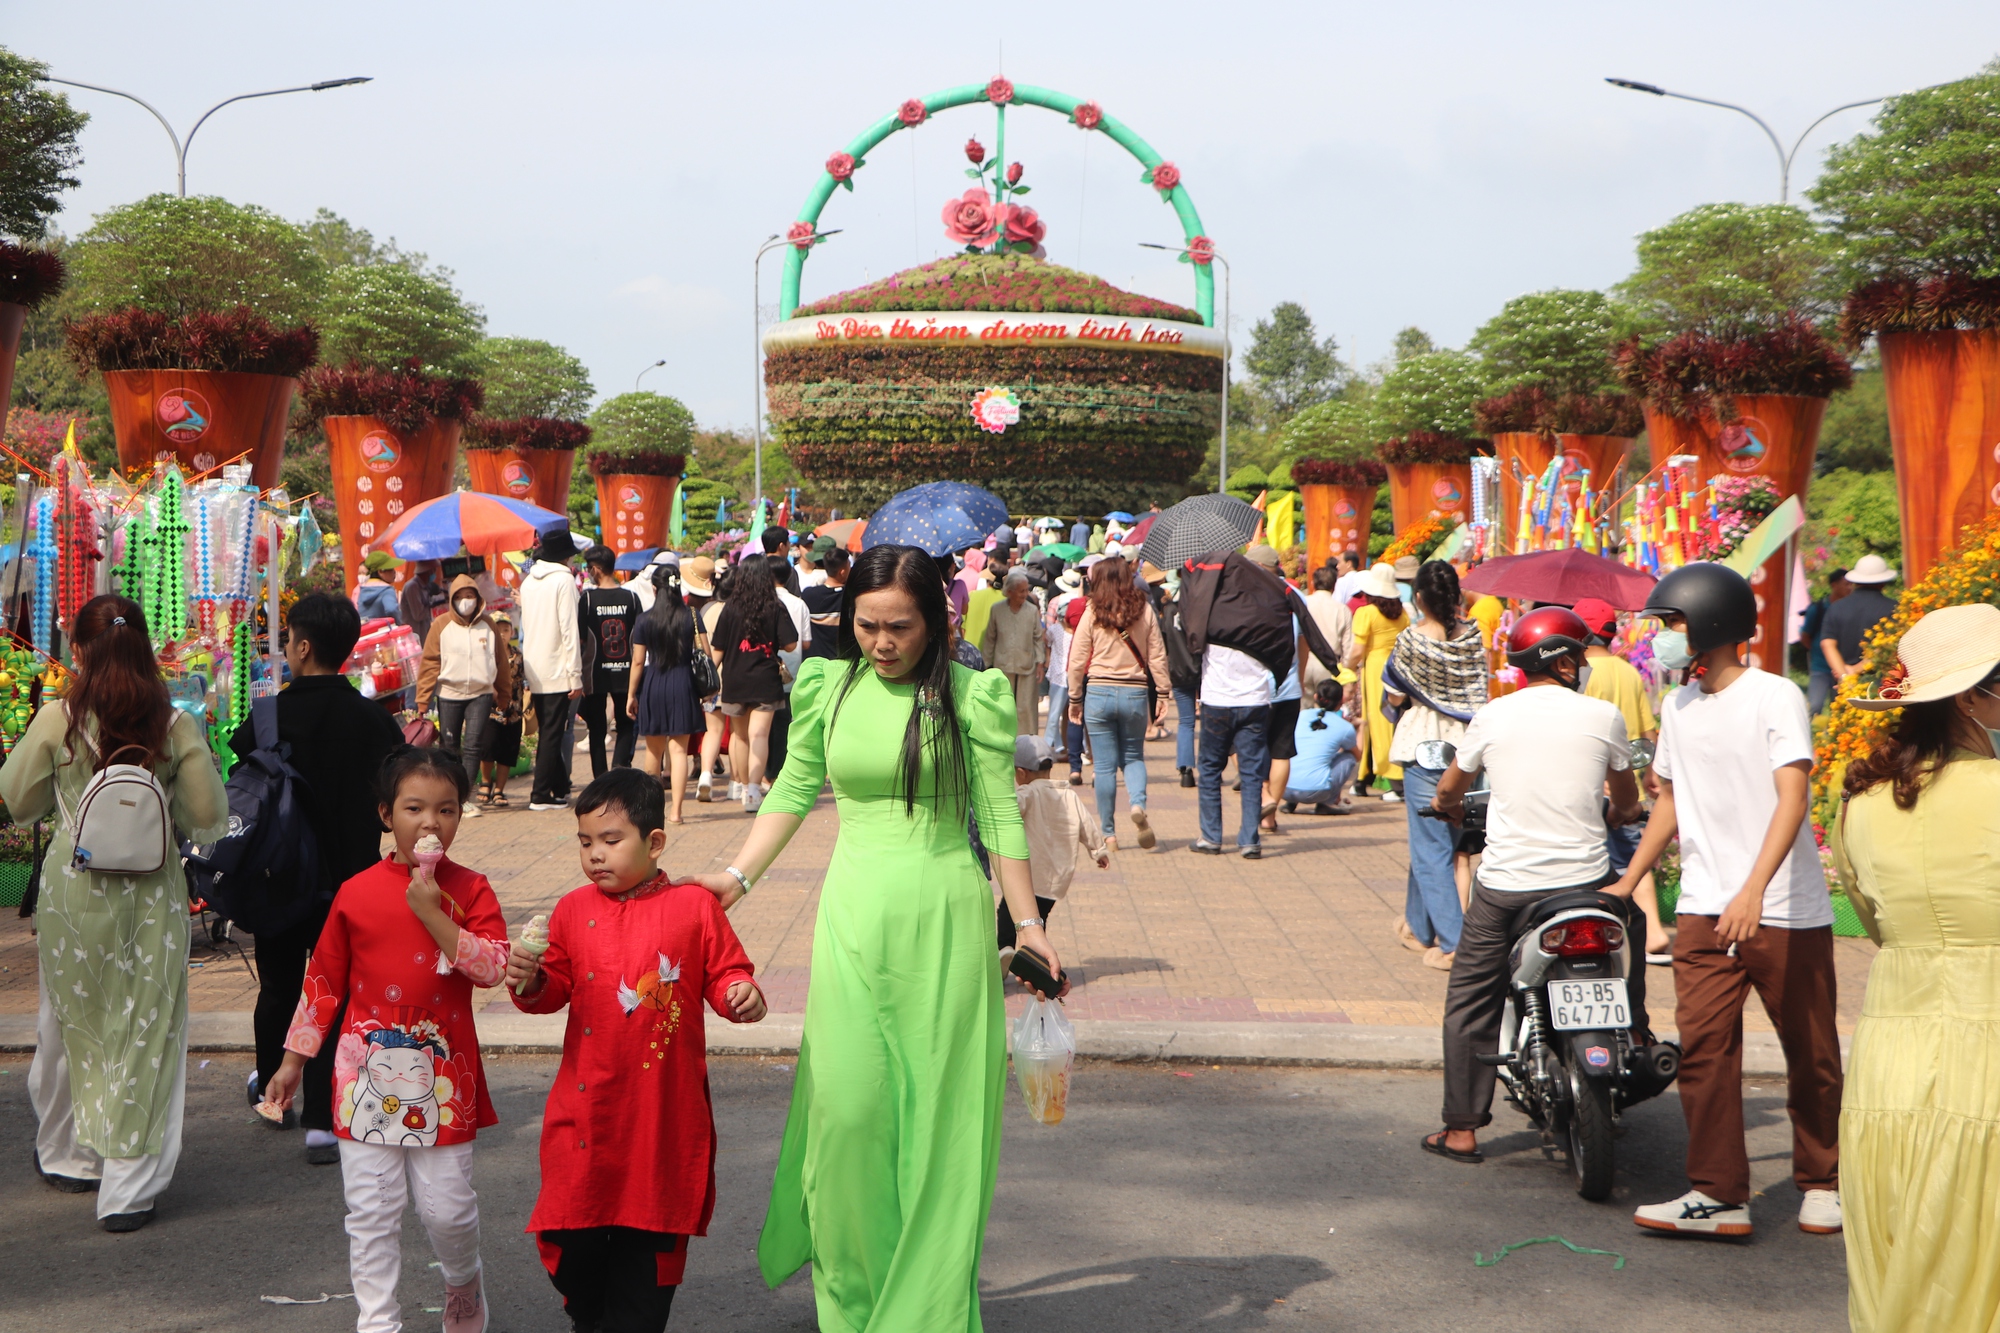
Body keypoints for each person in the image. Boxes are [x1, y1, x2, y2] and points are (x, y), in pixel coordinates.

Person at [693, 543, 1055, 1332]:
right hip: (853, 916)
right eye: (868, 625)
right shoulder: (830, 685)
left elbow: (997, 813)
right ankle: (853, 1304)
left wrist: (1028, 923)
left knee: (937, 1124)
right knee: (850, 1112)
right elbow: (794, 785)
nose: (883, 642)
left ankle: (923, 1310)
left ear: (935, 622)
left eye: (900, 627)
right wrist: (738, 876)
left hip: (947, 920)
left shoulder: (972, 694)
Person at [1612, 562, 1843, 1239]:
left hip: (1783, 907)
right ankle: (1718, 1192)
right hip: (1704, 909)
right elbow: (1669, 799)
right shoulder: (1678, 706)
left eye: (1672, 624)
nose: (1662, 638)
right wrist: (1629, 880)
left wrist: (1753, 889)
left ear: (1712, 623)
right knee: (1705, 1049)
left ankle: (1822, 1179)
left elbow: (1793, 797)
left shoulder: (1776, 696)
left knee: (1811, 1050)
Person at [507, 768, 766, 1333]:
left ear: (654, 843)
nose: (595, 855)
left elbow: (727, 974)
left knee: (644, 1276)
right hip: (585, 1117)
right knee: (568, 1240)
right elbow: (549, 989)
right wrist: (527, 980)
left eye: (610, 840)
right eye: (584, 842)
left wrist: (740, 993)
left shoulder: (694, 907)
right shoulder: (572, 910)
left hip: (660, 1126)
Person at [260, 747, 510, 1333]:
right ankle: (378, 1322)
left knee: (447, 1210)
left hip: (445, 1083)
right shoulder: (356, 892)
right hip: (362, 1080)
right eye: (415, 808)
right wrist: (293, 1062)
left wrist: (434, 914)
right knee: (371, 1210)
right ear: (384, 814)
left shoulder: (471, 891)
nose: (431, 823)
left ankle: (462, 1281)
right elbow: (322, 982)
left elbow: (493, 967)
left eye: (446, 809)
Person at [8, 595, 229, 1230]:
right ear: (145, 647)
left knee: (67, 1020)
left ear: (77, 651)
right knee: (146, 1027)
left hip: (72, 896)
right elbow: (208, 820)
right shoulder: (174, 725)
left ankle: (69, 1156)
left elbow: (17, 802)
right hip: (152, 897)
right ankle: (127, 1189)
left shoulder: (58, 719)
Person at [1422, 606, 1646, 1166]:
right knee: (1632, 925)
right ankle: (1634, 1031)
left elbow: (1452, 789)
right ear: (1570, 662)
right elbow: (1625, 799)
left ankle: (1463, 1129)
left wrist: (1444, 807)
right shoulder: (1603, 716)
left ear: (1524, 665)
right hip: (1587, 885)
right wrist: (1619, 813)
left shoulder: (1494, 716)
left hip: (1507, 890)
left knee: (1471, 997)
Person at [1829, 604, 2000, 1332]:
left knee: (1893, 1288)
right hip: (1985, 1062)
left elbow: (1871, 923)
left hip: (1887, 1070)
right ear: (1968, 696)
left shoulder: (1861, 801)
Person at [236, 593, 403, 1166]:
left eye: (287, 639)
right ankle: (323, 1120)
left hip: (278, 877)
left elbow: (242, 785)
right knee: (337, 994)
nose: (284, 647)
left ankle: (270, 1091)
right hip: (352, 883)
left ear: (303, 647)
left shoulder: (267, 717)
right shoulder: (375, 721)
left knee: (279, 986)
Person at [1386, 561, 1488, 971]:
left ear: (1420, 597)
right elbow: (1478, 690)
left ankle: (1454, 944)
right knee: (1437, 841)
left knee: (1431, 849)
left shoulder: (1411, 641)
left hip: (1424, 746)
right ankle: (1418, 926)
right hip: (1467, 748)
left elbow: (1394, 695)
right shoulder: (1473, 638)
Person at [1573, 597, 1668, 960]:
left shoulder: (1581, 674)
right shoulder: (1628, 671)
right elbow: (1647, 730)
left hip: (1593, 784)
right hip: (1628, 779)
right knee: (1633, 858)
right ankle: (1655, 930)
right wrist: (1651, 774)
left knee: (1594, 860)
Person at [1066, 554, 1170, 852]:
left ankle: (1109, 834)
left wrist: (1075, 697)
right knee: (1134, 756)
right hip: (1135, 692)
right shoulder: (1144, 609)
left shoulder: (1091, 609)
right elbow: (1157, 655)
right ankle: (1137, 804)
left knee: (1105, 765)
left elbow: (1076, 660)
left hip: (1098, 692)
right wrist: (1162, 693)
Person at [999, 735, 1108, 954]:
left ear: (1021, 773)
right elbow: (1087, 824)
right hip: (1057, 878)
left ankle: (1005, 951)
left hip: (1030, 875)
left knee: (1007, 912)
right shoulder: (1068, 794)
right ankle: (1034, 958)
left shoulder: (1027, 792)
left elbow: (1009, 811)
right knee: (1038, 919)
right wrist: (1098, 850)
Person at [416, 573, 514, 813]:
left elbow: (501, 662)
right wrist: (423, 699)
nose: (465, 601)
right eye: (459, 597)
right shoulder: (441, 625)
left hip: (480, 694)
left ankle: (463, 799)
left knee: (473, 746)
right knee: (449, 746)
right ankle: (445, 795)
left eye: (469, 596)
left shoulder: (488, 624)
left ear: (478, 598)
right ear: (451, 600)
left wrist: (504, 694)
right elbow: (430, 662)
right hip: (449, 693)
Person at [709, 553, 797, 811]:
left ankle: (739, 784)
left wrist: (707, 680)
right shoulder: (775, 605)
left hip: (734, 679)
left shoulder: (731, 607)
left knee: (739, 735)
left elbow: (718, 649)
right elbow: (791, 644)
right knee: (759, 734)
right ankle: (753, 791)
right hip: (765, 679)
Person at [628, 563, 704, 825]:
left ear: (654, 588)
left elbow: (638, 662)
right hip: (683, 683)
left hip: (654, 684)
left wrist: (631, 695)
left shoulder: (645, 620)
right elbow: (702, 649)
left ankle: (654, 811)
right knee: (679, 751)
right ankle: (677, 812)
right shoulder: (690, 616)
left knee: (654, 750)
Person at [521, 529, 585, 812]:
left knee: (550, 730)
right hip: (559, 666)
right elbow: (569, 630)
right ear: (564, 555)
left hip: (535, 664)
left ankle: (558, 787)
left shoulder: (528, 582)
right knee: (552, 732)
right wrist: (576, 674)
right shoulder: (563, 580)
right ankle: (540, 793)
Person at [1344, 563, 1410, 798]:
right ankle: (1364, 777)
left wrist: (1345, 670)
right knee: (1387, 722)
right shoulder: (1402, 614)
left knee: (1376, 722)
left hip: (1375, 669)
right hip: (1396, 668)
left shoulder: (1366, 613)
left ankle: (1395, 781)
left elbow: (1357, 651)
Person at [578, 545, 641, 777]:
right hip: (626, 670)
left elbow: (582, 639)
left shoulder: (587, 599)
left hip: (595, 672)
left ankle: (600, 777)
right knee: (626, 724)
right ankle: (619, 772)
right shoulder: (631, 599)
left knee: (597, 728)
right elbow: (638, 639)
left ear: (595, 569)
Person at [982, 567, 1048, 737]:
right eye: (1021, 591)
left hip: (1026, 664)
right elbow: (990, 638)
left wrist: (1040, 663)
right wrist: (986, 664)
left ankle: (1027, 743)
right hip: (1002, 665)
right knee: (1003, 704)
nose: (1025, 594)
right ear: (1009, 592)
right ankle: (1002, 738)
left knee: (1026, 707)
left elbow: (1037, 638)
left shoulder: (1031, 611)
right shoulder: (997, 609)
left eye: (1026, 590)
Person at [1281, 679, 1360, 813]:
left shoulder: (1299, 716)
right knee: (1348, 758)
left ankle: (1291, 803)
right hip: (1315, 792)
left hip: (1282, 788)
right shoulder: (1344, 727)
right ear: (1341, 701)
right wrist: (1361, 727)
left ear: (1316, 697)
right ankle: (1325, 804)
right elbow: (1358, 755)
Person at [1821, 553, 1896, 681]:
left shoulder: (1836, 607)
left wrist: (1844, 676)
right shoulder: (1893, 608)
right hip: (1881, 683)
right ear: (1883, 583)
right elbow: (1889, 645)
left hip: (1843, 685)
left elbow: (1827, 644)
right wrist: (1857, 669)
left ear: (1855, 582)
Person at [1159, 573, 1203, 790]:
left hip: (1177, 670)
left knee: (1186, 722)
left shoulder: (1167, 611)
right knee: (1211, 720)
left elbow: (1163, 643)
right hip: (1203, 669)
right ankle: (1211, 767)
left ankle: (1186, 769)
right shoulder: (1199, 606)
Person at [1800, 567, 1850, 714]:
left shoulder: (1850, 609)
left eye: (1851, 584)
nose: (1850, 588)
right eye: (1846, 584)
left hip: (1843, 667)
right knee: (1814, 705)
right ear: (1834, 585)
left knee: (1840, 709)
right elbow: (1805, 636)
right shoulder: (1818, 609)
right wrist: (1818, 652)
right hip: (1820, 668)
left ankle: (1832, 735)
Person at [799, 546, 847, 659]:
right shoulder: (852, 596)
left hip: (814, 661)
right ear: (842, 572)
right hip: (844, 661)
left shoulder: (808, 595)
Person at [398, 558, 448, 635]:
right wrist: (432, 604)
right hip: (415, 634)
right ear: (427, 571)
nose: (434, 572)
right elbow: (418, 615)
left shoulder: (425, 585)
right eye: (433, 569)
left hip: (424, 630)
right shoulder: (412, 587)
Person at [353, 550, 401, 622]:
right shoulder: (387, 590)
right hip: (383, 631)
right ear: (380, 571)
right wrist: (399, 623)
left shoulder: (362, 589)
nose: (394, 572)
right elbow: (391, 609)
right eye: (390, 569)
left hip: (365, 631)